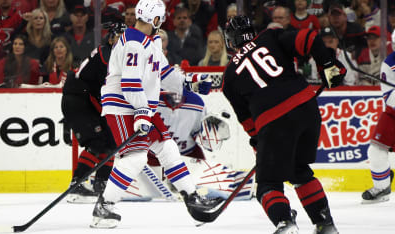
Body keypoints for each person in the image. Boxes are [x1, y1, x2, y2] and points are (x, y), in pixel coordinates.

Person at [91, 0, 219, 228]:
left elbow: (165, 72)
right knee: (136, 157)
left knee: (167, 147)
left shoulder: (150, 42)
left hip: (141, 106)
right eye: (162, 19)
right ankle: (105, 206)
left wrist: (190, 84)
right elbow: (130, 84)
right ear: (156, 19)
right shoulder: (132, 42)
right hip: (122, 106)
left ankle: (192, 197)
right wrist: (141, 113)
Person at [222, 15, 346, 234]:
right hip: (307, 108)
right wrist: (328, 65)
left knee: (268, 184)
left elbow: (249, 122)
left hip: (273, 121)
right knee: (299, 171)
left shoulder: (229, 76)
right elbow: (309, 38)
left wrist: (259, 144)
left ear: (231, 40)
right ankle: (326, 225)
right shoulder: (270, 36)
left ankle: (285, 224)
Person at [62, 21, 126, 203]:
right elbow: (109, 87)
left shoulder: (114, 54)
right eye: (118, 37)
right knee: (98, 142)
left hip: (86, 100)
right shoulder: (107, 54)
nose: (122, 41)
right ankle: (77, 185)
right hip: (79, 100)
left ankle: (101, 183)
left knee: (112, 142)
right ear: (111, 38)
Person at [361, 31, 395, 204]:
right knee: (375, 150)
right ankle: (382, 187)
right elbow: (389, 97)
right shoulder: (389, 64)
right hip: (393, 114)